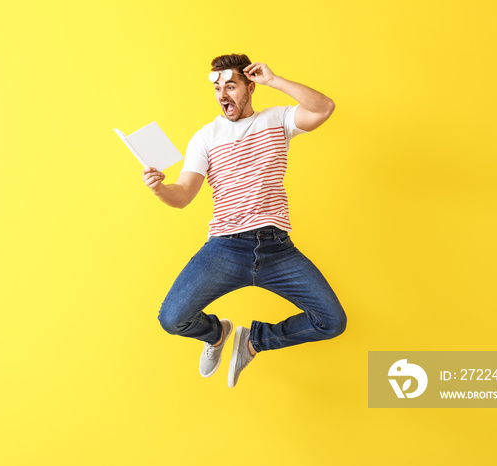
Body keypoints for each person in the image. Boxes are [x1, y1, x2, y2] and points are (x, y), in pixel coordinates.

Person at [142, 53, 347, 388]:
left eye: (231, 85)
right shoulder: (205, 137)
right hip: (226, 249)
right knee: (172, 318)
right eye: (218, 87)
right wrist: (160, 188)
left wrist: (275, 80)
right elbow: (182, 196)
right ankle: (216, 334)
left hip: (277, 251)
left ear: (250, 87)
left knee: (332, 321)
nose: (223, 93)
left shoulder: (278, 120)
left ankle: (254, 341)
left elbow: (323, 107)